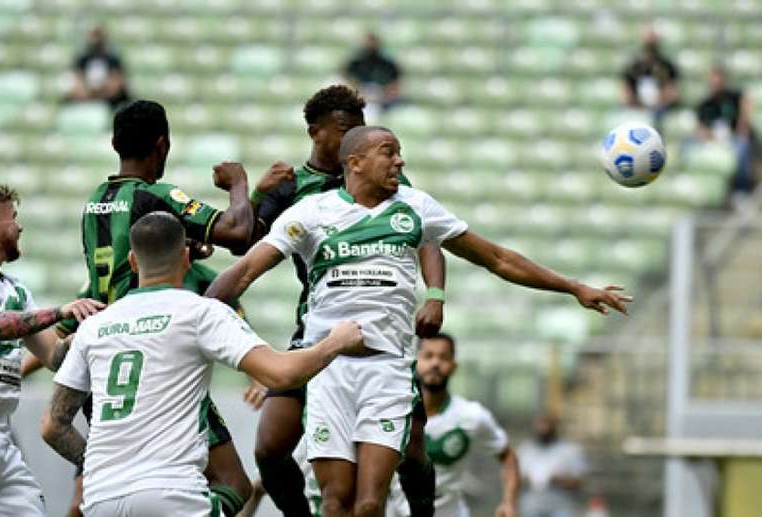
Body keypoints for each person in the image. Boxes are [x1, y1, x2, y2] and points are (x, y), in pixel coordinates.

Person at [205, 125, 632, 515]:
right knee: (336, 502)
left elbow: (498, 258)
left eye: (400, 153)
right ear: (354, 163)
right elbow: (242, 273)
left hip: (387, 370)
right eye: (389, 153)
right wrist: (190, 315)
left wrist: (574, 286)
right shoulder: (312, 213)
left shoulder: (415, 207)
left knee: (370, 504)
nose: (400, 161)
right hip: (328, 372)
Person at [41, 212, 364, 516]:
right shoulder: (200, 313)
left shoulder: (95, 327)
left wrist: (102, 467)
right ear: (185, 256)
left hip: (101, 499)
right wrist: (336, 342)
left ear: (132, 262)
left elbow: (54, 426)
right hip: (173, 495)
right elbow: (281, 374)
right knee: (235, 489)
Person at [247, 85, 444, 517]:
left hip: (379, 339)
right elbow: (241, 246)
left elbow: (425, 235)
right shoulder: (290, 188)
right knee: (269, 448)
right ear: (318, 133)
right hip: (317, 329)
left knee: (412, 451)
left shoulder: (383, 178)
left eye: (361, 126)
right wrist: (256, 194)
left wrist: (435, 293)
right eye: (348, 128)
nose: (359, 134)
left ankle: (424, 508)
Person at [60, 99, 255, 517]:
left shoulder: (95, 200)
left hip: (106, 365)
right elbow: (239, 233)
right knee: (233, 484)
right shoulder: (155, 194)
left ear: (114, 142)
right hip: (157, 357)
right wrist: (238, 184)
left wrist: (189, 249)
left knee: (105, 489)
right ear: (162, 145)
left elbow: (143, 258)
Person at [0, 180, 103, 515]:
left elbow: (54, 356)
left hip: (1, 435)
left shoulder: (17, 290)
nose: (19, 226)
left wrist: (92, 329)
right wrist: (59, 311)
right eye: (13, 217)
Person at [388, 333, 519, 517]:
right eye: (428, 356)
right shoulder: (393, 413)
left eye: (443, 357)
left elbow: (507, 456)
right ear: (415, 361)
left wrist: (509, 502)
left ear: (454, 366)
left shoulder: (472, 416)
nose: (435, 363)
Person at [695, 65, 757, 200]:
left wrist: (741, 127)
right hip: (714, 141)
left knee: (742, 146)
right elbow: (701, 129)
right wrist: (711, 137)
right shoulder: (705, 104)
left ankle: (742, 189)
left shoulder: (735, 97)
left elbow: (745, 116)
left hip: (735, 137)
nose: (716, 84)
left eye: (719, 81)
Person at [518, 415, 588, 517]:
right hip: (531, 508)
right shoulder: (525, 450)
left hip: (561, 508)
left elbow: (579, 480)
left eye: (547, 426)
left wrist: (556, 480)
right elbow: (514, 478)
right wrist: (531, 479)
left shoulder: (570, 450)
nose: (543, 430)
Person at [621, 28, 680, 131]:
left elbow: (672, 92)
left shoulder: (666, 65)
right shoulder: (634, 66)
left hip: (661, 110)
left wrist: (659, 103)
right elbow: (626, 92)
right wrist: (639, 105)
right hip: (637, 109)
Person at [65, 25, 130, 109]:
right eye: (94, 36)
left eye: (98, 35)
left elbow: (116, 84)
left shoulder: (113, 59)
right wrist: (88, 95)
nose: (96, 40)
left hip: (110, 102)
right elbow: (77, 83)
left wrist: (100, 94)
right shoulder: (82, 60)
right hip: (86, 101)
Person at [344, 33, 402, 114]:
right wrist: (361, 94)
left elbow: (395, 86)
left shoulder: (388, 65)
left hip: (382, 102)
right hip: (359, 99)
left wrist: (381, 95)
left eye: (372, 43)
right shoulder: (354, 64)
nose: (370, 46)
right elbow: (346, 81)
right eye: (367, 43)